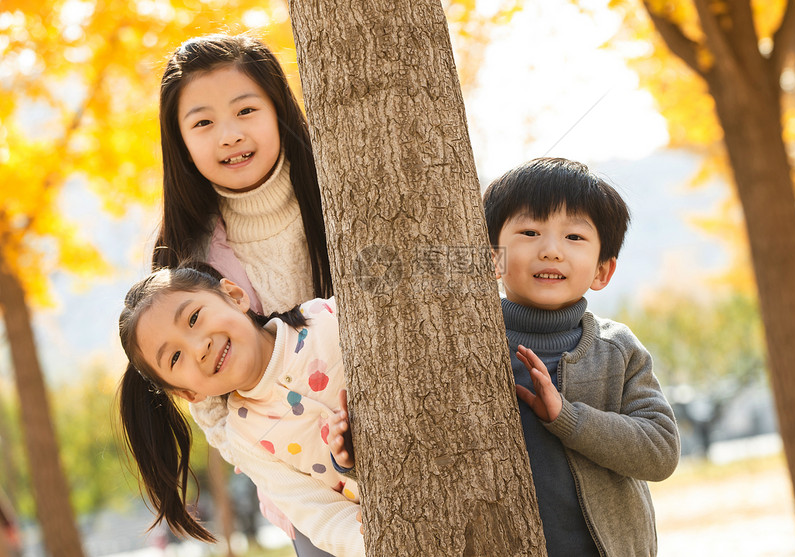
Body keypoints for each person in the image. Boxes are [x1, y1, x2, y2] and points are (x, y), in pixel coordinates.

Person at [329, 157, 681, 556]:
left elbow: (661, 451)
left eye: (575, 238)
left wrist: (567, 418)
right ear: (492, 257)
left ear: (603, 270)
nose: (551, 251)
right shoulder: (461, 345)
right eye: (529, 232)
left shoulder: (616, 349)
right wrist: (359, 455)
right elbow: (428, 453)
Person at [149, 33, 338, 556]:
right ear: (180, 141)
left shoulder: (339, 193)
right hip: (306, 480)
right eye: (203, 122)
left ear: (278, 111)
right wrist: (310, 448)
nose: (228, 135)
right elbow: (213, 411)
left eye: (246, 110)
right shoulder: (185, 258)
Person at [117, 265, 363, 557]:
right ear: (188, 394)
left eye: (194, 318)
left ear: (234, 296)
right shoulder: (247, 438)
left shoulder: (326, 318)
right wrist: (373, 538)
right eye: (175, 357)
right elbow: (319, 514)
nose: (199, 348)